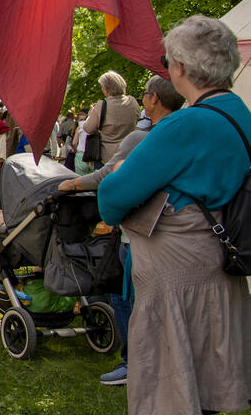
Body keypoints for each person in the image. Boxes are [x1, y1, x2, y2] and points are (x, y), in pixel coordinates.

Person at [97, 16, 251, 415]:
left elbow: (112, 197)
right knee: (196, 388)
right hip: (215, 270)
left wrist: (120, 176)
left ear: (180, 67)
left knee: (174, 389)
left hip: (179, 276)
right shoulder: (240, 114)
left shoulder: (187, 123)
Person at [58, 76, 185, 388]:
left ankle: (133, 362)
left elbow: (106, 175)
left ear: (153, 99)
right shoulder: (186, 134)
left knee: (125, 296)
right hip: (177, 233)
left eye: (145, 94)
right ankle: (166, 361)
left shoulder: (141, 138)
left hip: (139, 232)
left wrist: (69, 183)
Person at [81, 70, 141, 166]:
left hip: (107, 157)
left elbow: (88, 128)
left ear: (107, 89)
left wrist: (90, 115)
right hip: (129, 154)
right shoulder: (132, 101)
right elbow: (138, 119)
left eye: (102, 87)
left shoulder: (102, 105)